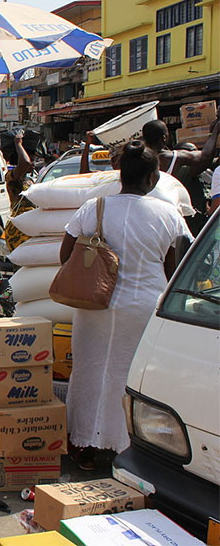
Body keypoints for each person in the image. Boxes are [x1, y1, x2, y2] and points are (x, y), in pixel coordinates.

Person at [61, 141, 191, 469]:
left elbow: (66, 257)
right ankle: (128, 450)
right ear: (152, 178)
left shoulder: (94, 207)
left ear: (120, 175)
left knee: (89, 372)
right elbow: (175, 268)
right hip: (144, 307)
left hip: (95, 306)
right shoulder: (169, 214)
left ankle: (85, 447)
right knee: (132, 379)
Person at [143, 117, 219, 235]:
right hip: (174, 216)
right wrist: (213, 132)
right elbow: (205, 157)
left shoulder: (141, 159)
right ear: (165, 137)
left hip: (151, 217)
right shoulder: (170, 157)